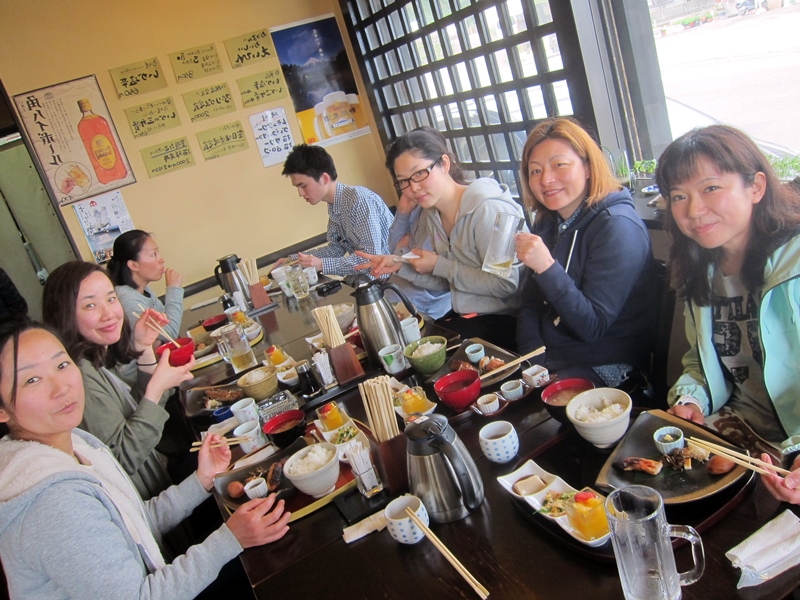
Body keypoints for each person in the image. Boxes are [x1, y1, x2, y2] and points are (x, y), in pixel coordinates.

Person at [0, 319, 290, 599]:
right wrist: (230, 538)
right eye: (32, 379)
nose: (60, 386)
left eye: (62, 365)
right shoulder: (53, 503)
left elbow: (136, 522)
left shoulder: (71, 444)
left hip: (157, 576)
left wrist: (201, 480)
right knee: (281, 563)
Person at [657, 125, 800, 502]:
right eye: (678, 196)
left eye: (710, 188)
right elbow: (701, 362)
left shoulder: (796, 263)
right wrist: (690, 399)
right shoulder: (698, 269)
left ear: (755, 186)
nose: (693, 210)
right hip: (734, 437)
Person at [513, 117, 658, 389]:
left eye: (559, 165)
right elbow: (530, 304)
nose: (546, 179)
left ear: (588, 167)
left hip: (607, 364)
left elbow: (592, 326)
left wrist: (546, 266)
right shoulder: (548, 221)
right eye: (535, 171)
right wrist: (532, 362)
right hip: (554, 358)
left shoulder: (617, 226)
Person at [356, 127, 525, 349]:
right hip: (469, 315)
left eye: (420, 173)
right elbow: (447, 284)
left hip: (508, 319)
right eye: (404, 181)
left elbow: (505, 285)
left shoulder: (488, 209)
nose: (414, 187)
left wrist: (440, 264)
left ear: (444, 164)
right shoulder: (432, 215)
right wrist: (399, 266)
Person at [42, 261, 193, 500]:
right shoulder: (78, 376)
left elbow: (133, 410)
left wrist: (143, 347)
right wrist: (155, 390)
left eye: (111, 299)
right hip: (146, 498)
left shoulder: (94, 359)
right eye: (90, 305)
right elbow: (123, 458)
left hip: (158, 476)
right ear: (65, 314)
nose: (109, 313)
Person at [277, 144, 393, 286]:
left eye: (303, 186)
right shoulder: (335, 204)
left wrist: (322, 265)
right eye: (298, 188)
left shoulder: (358, 200)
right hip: (366, 281)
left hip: (388, 281)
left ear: (324, 178)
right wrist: (293, 260)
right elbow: (336, 248)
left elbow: (371, 259)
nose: (300, 194)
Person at [107, 230, 184, 341]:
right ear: (133, 265)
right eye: (153, 254)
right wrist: (173, 289)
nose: (161, 260)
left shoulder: (142, 289)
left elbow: (166, 319)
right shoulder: (127, 299)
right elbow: (170, 333)